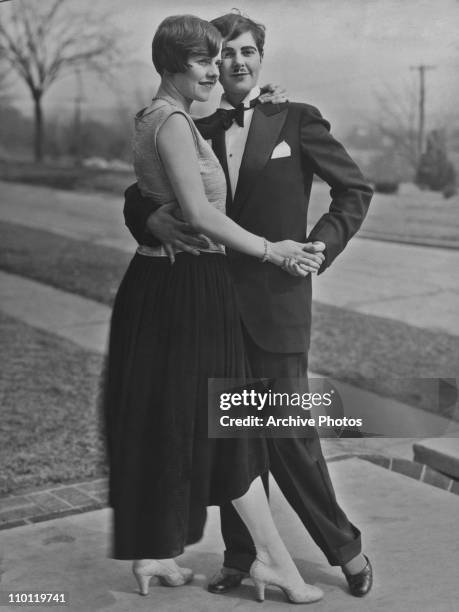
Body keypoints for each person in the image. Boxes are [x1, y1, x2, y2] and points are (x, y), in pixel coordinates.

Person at [124, 11, 374, 598]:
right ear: (208, 60)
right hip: (210, 302)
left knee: (289, 435)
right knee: (234, 431)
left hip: (278, 304)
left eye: (246, 52)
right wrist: (149, 219)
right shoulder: (191, 122)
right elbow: (144, 190)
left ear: (261, 58)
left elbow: (354, 189)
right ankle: (242, 558)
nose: (235, 63)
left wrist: (319, 247)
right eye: (224, 53)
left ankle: (347, 549)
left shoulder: (296, 119)